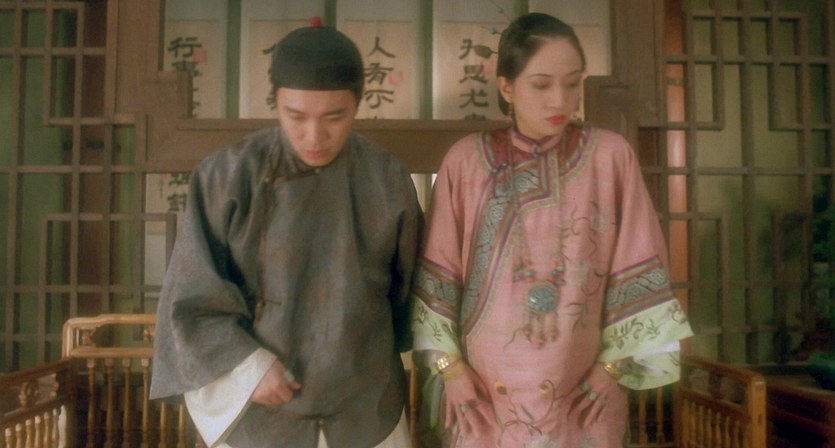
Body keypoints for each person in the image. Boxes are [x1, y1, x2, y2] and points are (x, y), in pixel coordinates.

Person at [411, 12, 693, 447]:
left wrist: (611, 369)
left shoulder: (610, 157)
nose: (560, 100)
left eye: (572, 83)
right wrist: (451, 370)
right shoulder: (465, 162)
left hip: (584, 392)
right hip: (482, 396)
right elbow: (437, 277)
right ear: (507, 87)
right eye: (541, 85)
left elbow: (640, 263)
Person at [150, 20, 423, 448]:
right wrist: (247, 368)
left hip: (365, 404)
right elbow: (191, 299)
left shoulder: (387, 177)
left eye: (335, 117)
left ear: (358, 104)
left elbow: (407, 295)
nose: (314, 136)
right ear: (275, 101)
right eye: (296, 116)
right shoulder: (226, 176)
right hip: (259, 406)